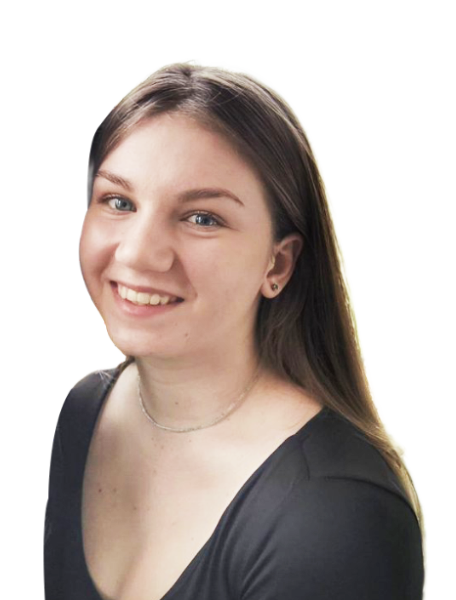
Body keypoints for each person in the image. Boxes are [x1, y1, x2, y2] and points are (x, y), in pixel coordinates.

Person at [44, 60, 429, 600]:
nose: (138, 253)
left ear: (278, 264)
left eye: (202, 218)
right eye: (119, 202)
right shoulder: (86, 413)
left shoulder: (334, 510)